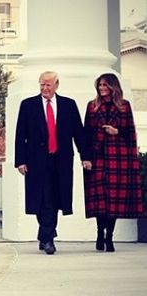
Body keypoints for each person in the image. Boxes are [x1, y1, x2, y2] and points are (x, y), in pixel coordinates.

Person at [14, 71, 92, 255]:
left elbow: (78, 133)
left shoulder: (68, 105)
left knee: (56, 198)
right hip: (36, 161)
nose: (44, 88)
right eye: (42, 84)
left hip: (61, 160)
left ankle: (44, 234)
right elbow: (20, 135)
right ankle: (48, 239)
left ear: (57, 84)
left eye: (48, 85)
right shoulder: (28, 105)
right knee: (43, 199)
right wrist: (20, 161)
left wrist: (85, 156)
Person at [83, 73, 146, 252]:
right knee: (100, 199)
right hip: (97, 156)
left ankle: (109, 237)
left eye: (105, 85)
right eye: (100, 85)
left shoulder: (124, 106)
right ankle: (99, 233)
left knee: (113, 200)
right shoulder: (92, 106)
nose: (102, 88)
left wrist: (116, 131)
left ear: (113, 87)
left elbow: (130, 133)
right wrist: (85, 157)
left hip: (118, 157)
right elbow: (86, 133)